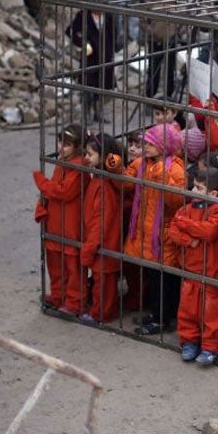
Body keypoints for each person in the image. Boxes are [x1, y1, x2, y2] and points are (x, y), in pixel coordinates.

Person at [106, 123, 186, 334]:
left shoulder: (175, 169)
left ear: (163, 145)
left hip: (164, 233)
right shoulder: (142, 164)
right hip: (146, 231)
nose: (146, 146)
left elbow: (177, 200)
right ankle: (157, 314)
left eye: (151, 143)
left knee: (165, 279)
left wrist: (162, 176)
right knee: (153, 275)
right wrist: (116, 168)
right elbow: (127, 184)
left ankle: (163, 319)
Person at [168, 167, 218, 366]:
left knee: (211, 312)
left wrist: (184, 224)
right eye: (194, 186)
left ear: (213, 194)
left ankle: (211, 347)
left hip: (212, 270)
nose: (193, 191)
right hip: (190, 268)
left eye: (199, 188)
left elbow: (210, 231)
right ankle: (189, 341)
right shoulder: (186, 208)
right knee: (188, 309)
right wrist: (188, 240)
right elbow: (172, 232)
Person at [33, 124, 86, 317]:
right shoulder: (63, 162)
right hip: (56, 221)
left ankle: (74, 302)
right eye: (60, 142)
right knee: (55, 262)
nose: (62, 147)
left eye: (68, 144)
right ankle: (58, 295)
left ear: (77, 146)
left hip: (71, 223)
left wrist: (41, 182)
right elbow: (56, 188)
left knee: (72, 266)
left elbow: (63, 191)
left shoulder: (79, 166)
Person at [80, 133, 123, 323]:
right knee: (101, 280)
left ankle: (101, 313)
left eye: (90, 154)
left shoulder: (103, 185)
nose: (86, 158)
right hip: (101, 240)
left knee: (103, 282)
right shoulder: (100, 179)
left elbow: (101, 221)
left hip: (104, 242)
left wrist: (91, 245)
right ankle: (100, 310)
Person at [68, 10, 115, 123]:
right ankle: (86, 114)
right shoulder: (83, 15)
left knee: (102, 86)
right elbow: (71, 31)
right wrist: (82, 43)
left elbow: (113, 34)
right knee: (87, 86)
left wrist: (111, 51)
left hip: (105, 57)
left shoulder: (108, 15)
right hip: (90, 57)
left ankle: (98, 113)